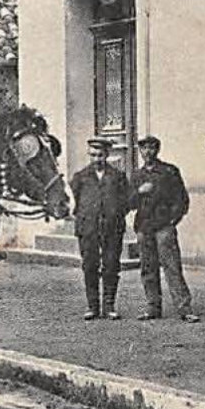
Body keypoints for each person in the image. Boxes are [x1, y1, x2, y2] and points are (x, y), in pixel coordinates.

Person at [128, 135, 193, 321]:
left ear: (158, 150)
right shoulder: (136, 176)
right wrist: (139, 192)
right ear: (140, 151)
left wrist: (173, 220)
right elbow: (128, 203)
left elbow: (181, 199)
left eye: (151, 148)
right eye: (144, 149)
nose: (148, 152)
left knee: (172, 267)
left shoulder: (169, 172)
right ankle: (152, 307)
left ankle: (184, 308)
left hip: (164, 226)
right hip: (144, 227)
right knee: (148, 268)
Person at [69, 137, 131, 321]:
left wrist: (114, 214)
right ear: (89, 155)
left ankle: (109, 305)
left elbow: (126, 201)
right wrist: (85, 217)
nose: (97, 159)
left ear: (107, 155)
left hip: (112, 229)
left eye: (101, 155)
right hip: (88, 229)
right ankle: (92, 306)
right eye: (94, 155)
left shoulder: (117, 176)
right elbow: (73, 202)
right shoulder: (80, 177)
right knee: (89, 266)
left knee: (111, 266)